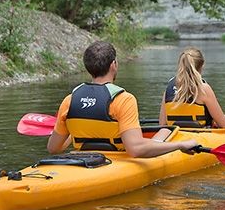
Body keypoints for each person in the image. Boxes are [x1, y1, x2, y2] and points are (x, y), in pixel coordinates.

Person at [47, 41, 198, 157]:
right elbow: (136, 149)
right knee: (165, 131)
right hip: (115, 160)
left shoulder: (70, 100)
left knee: (164, 130)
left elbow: (53, 148)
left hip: (82, 159)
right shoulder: (123, 99)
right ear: (114, 65)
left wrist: (76, 131)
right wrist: (180, 145)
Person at [159, 46, 225, 128]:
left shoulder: (169, 88)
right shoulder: (204, 89)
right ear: (202, 66)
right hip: (200, 136)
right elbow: (224, 125)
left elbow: (162, 124)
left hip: (176, 136)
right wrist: (224, 120)